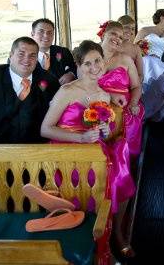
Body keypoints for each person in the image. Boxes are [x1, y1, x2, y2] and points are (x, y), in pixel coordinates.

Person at [40, 40, 135, 257]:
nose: (94, 68)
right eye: (88, 64)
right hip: (66, 149)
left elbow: (106, 133)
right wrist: (81, 138)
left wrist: (103, 130)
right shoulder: (67, 91)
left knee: (121, 175)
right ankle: (90, 239)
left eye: (98, 61)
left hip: (94, 148)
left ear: (104, 60)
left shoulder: (103, 95)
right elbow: (45, 129)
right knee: (97, 178)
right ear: (79, 66)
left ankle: (115, 233)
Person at [99, 21, 144, 157]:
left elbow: (136, 86)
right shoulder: (91, 58)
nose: (117, 39)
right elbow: (83, 86)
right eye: (113, 34)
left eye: (120, 37)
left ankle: (124, 162)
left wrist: (133, 103)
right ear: (103, 34)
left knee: (127, 119)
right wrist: (109, 95)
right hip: (97, 103)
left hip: (125, 105)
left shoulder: (125, 59)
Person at [134, 10, 164, 121]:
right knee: (145, 89)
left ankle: (151, 112)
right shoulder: (145, 30)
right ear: (162, 17)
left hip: (158, 64)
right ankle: (141, 115)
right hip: (145, 62)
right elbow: (134, 48)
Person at [31, 18, 76, 85]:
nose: (46, 35)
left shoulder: (63, 52)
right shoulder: (23, 56)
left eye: (49, 32)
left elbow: (75, 68)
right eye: (41, 31)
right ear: (32, 34)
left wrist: (71, 74)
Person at [117, 15, 144, 83]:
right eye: (127, 27)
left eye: (132, 29)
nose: (130, 31)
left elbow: (140, 74)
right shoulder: (111, 47)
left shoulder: (136, 49)